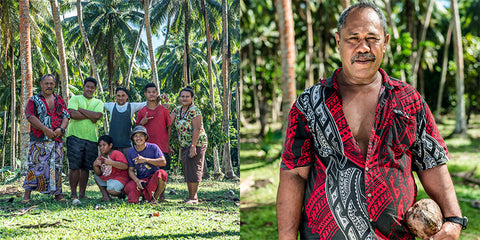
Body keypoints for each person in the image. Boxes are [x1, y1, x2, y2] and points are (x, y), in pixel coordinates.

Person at [276, 2, 465, 240]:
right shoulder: (309, 104)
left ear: (385, 42)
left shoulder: (409, 101)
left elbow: (432, 162)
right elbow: (294, 174)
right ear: (338, 42)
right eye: (352, 38)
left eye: (372, 38)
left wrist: (454, 220)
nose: (363, 47)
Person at [21, 74, 70, 203]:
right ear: (41, 84)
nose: (49, 86)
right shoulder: (34, 100)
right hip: (39, 138)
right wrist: (45, 129)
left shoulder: (59, 100)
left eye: (51, 83)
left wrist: (61, 129)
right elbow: (30, 116)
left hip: (56, 139)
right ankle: (27, 195)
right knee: (34, 166)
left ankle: (58, 194)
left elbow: (66, 116)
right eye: (46, 83)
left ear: (54, 85)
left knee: (56, 166)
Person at [66, 77, 104, 201]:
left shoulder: (98, 102)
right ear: (84, 87)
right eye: (87, 86)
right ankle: (73, 193)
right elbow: (72, 114)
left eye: (92, 87)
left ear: (95, 89)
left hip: (91, 138)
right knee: (74, 167)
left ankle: (82, 193)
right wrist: (90, 114)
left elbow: (97, 116)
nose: (89, 89)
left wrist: (81, 111)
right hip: (74, 136)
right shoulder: (75, 98)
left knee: (86, 167)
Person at [171, 86, 208, 204]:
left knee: (194, 168)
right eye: (182, 96)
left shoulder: (195, 110)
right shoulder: (177, 110)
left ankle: (194, 198)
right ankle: (190, 196)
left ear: (192, 98)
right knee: (187, 169)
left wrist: (193, 146)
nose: (184, 98)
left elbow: (197, 129)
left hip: (197, 143)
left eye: (187, 96)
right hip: (184, 144)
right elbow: (168, 121)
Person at [124, 125, 168, 204]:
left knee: (162, 174)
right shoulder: (131, 152)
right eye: (136, 136)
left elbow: (163, 162)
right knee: (129, 187)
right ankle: (143, 196)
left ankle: (154, 199)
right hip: (141, 179)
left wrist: (145, 160)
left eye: (141, 136)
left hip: (153, 178)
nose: (138, 138)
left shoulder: (153, 147)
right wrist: (137, 181)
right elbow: (130, 170)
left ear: (145, 137)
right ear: (133, 139)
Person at [136, 83, 173, 172]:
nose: (151, 94)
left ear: (157, 93)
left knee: (163, 176)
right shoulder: (141, 112)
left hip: (162, 148)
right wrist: (142, 123)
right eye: (149, 92)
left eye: (153, 92)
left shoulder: (164, 110)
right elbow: (136, 131)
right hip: (145, 149)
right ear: (145, 94)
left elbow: (169, 128)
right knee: (147, 177)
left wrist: (168, 145)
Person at [104, 86, 146, 157]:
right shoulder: (111, 106)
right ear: (116, 96)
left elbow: (146, 103)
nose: (120, 98)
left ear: (127, 96)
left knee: (129, 166)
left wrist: (159, 97)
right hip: (113, 146)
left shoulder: (131, 106)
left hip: (127, 145)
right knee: (113, 166)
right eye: (118, 96)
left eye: (123, 95)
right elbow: (97, 103)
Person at [92, 135, 130, 201]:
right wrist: (95, 166)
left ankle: (122, 194)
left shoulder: (116, 153)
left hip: (120, 178)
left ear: (110, 145)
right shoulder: (101, 157)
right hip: (108, 179)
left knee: (111, 189)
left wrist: (111, 162)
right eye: (100, 146)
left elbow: (125, 166)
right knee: (96, 176)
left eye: (104, 145)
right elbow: (99, 174)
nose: (101, 148)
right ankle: (106, 196)